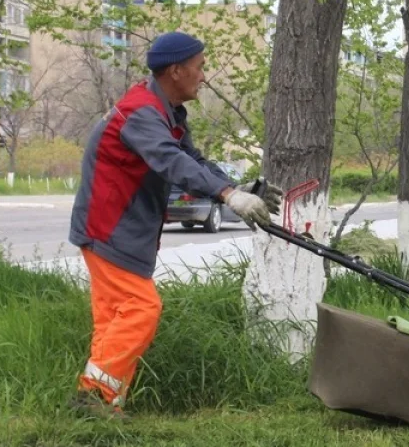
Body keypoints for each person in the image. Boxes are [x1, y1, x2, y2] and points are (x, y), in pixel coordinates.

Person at [66, 31, 282, 419]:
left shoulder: (168, 113)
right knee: (140, 309)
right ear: (176, 70)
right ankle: (92, 397)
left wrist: (235, 188)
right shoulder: (142, 113)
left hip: (120, 228)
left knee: (114, 320)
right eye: (199, 67)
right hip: (110, 227)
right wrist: (228, 198)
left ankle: (104, 406)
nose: (204, 75)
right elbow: (171, 162)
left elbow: (192, 159)